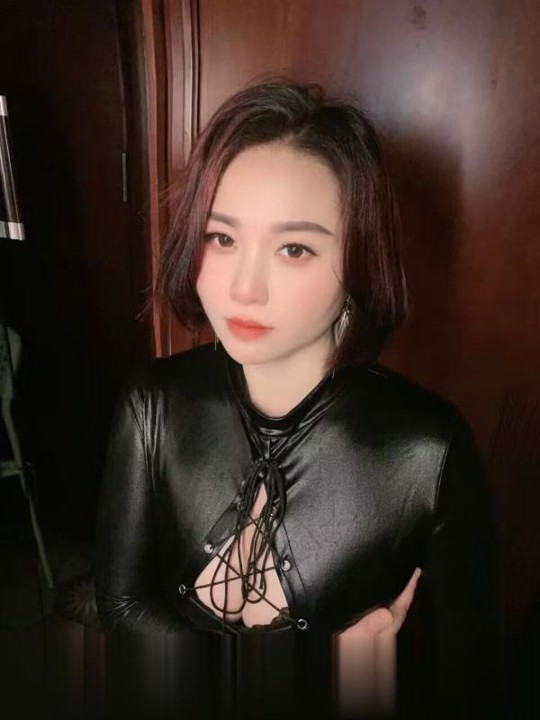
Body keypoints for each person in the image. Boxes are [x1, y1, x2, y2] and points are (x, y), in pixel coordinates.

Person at [94, 78, 503, 719]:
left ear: (360, 261)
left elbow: (465, 682)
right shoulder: (154, 404)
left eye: (294, 248)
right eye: (222, 238)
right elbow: (122, 609)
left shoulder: (427, 451)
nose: (244, 288)